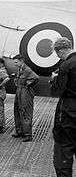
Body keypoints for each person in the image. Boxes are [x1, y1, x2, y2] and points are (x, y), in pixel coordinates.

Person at [50, 37, 76, 177]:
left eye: (57, 53)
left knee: (63, 150)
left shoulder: (66, 65)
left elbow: (57, 91)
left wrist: (54, 79)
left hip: (68, 110)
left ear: (60, 51)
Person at [12, 54, 39, 142]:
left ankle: (28, 135)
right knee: (17, 110)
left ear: (21, 61)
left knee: (26, 112)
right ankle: (19, 131)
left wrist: (27, 85)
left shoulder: (27, 69)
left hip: (25, 92)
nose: (15, 64)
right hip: (19, 91)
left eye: (16, 62)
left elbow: (35, 78)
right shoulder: (20, 69)